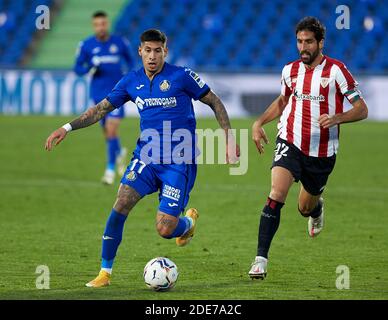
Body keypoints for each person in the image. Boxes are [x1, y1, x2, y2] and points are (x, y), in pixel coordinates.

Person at [45, 29, 240, 287]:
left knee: (165, 229)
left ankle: (188, 223)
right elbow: (100, 110)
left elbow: (214, 101)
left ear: (164, 52)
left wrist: (227, 137)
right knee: (121, 202)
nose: (152, 56)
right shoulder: (130, 81)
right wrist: (66, 128)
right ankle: (105, 272)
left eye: (157, 51)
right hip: (146, 157)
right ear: (140, 51)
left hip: (178, 161)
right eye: (147, 50)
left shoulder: (181, 76)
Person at [248, 17, 368, 280]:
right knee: (276, 193)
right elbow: (282, 101)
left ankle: (316, 209)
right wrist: (259, 122)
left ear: (320, 43)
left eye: (309, 42)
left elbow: (362, 109)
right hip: (290, 140)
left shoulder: (337, 71)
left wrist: (337, 118)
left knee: (304, 207)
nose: (303, 47)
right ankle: (260, 260)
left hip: (322, 153)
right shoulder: (289, 71)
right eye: (300, 41)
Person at [73, 10, 135, 185]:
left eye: (103, 24)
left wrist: (128, 78)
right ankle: (119, 153)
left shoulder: (120, 42)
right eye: (97, 24)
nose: (101, 27)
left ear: (107, 24)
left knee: (111, 128)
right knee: (108, 134)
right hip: (98, 95)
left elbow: (132, 63)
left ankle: (109, 170)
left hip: (118, 94)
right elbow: (77, 69)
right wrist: (89, 67)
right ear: (94, 26)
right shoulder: (86, 45)